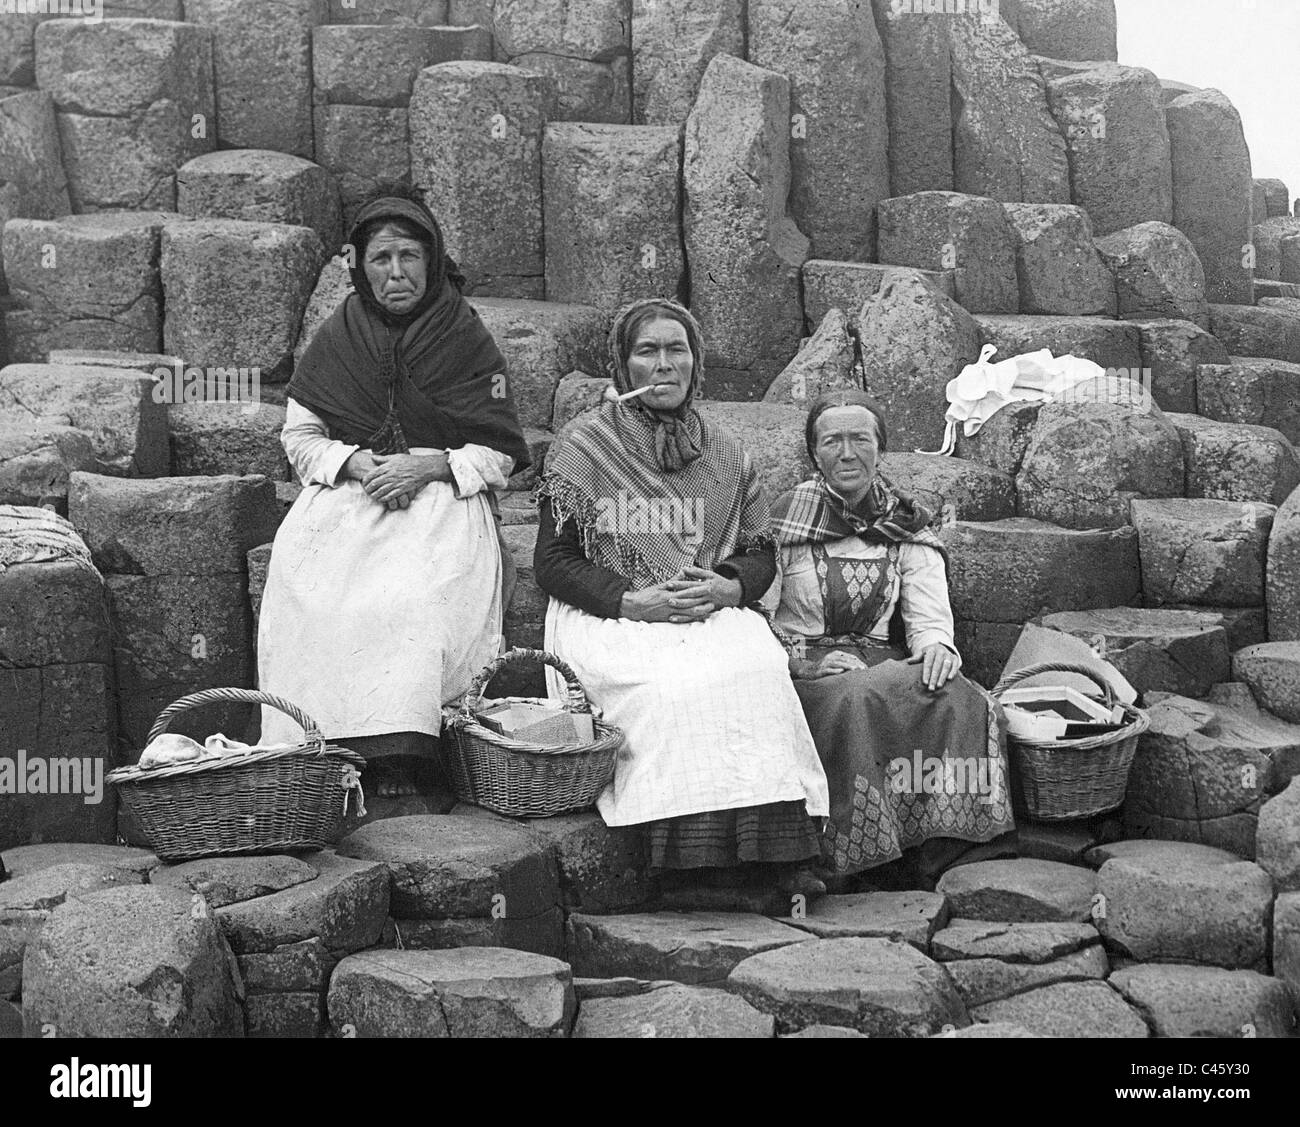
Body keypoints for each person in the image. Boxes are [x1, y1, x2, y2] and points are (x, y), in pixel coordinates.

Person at [533, 298, 829, 897]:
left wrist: (730, 586)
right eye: (648, 351)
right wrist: (631, 602)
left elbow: (759, 549)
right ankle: (692, 871)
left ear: (696, 363)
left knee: (756, 667)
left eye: (678, 350)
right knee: (672, 687)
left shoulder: (726, 452)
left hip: (703, 604)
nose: (664, 365)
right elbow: (553, 562)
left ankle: (776, 858)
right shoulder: (582, 446)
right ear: (623, 365)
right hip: (611, 613)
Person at [257, 187, 530, 798]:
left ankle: (404, 758)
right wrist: (353, 462)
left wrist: (429, 467)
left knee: (412, 600)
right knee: (313, 590)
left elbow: (501, 453)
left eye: (409, 256)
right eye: (381, 259)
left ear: (430, 262)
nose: (397, 272)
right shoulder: (340, 334)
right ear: (360, 266)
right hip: (351, 494)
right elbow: (300, 437)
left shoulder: (463, 336)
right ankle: (317, 756)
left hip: (441, 499)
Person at [768, 390, 1015, 883]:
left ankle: (942, 847)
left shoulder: (904, 522)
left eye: (860, 438)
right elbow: (758, 613)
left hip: (884, 662)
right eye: (832, 440)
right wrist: (799, 664)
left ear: (880, 448)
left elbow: (927, 618)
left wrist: (937, 649)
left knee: (961, 697)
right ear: (813, 453)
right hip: (809, 668)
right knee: (855, 697)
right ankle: (854, 856)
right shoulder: (785, 519)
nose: (847, 452)